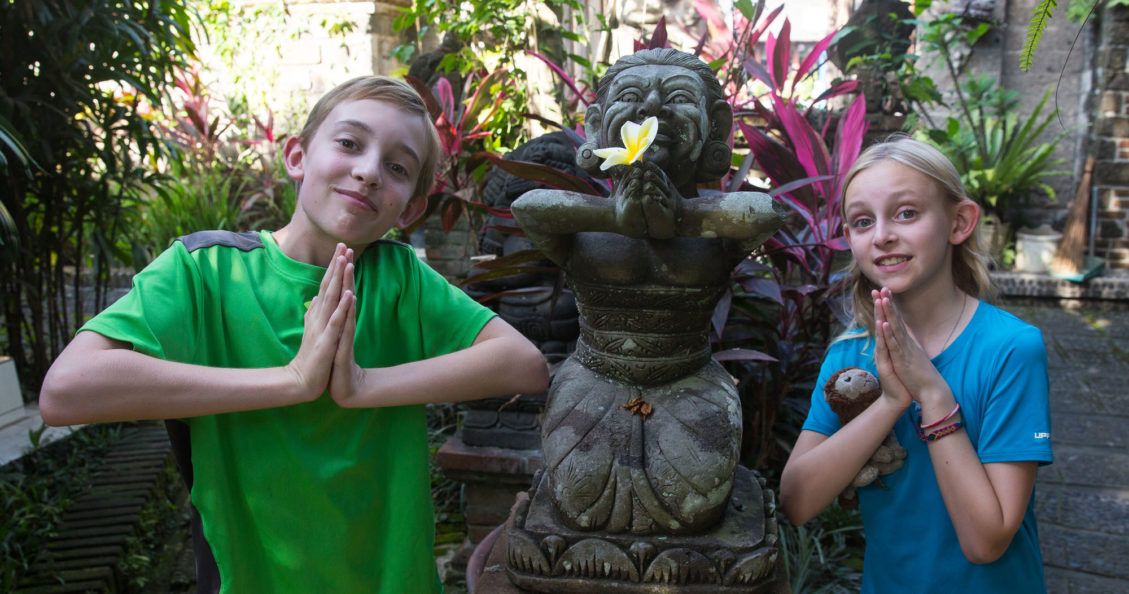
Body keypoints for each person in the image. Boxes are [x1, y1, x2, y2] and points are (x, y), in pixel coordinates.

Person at [39, 76, 549, 593]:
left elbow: (522, 364)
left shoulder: (400, 280)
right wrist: (294, 380)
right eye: (349, 143)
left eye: (397, 167)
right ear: (297, 157)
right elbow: (66, 390)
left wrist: (363, 385)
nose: (368, 171)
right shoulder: (206, 271)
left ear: (411, 209)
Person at [511, 48, 783, 534]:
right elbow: (529, 207)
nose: (652, 107)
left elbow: (763, 213)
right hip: (594, 379)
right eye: (632, 96)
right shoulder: (582, 225)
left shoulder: (718, 230)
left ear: (715, 128)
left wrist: (680, 214)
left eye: (677, 98)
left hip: (689, 381)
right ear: (597, 126)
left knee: (695, 509)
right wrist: (614, 216)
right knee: (580, 505)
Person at [779, 136, 1053, 592]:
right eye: (863, 221)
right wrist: (889, 403)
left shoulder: (1010, 349)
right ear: (851, 238)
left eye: (906, 213)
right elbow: (796, 502)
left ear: (959, 222)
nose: (882, 235)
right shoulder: (850, 356)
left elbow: (986, 543)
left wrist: (932, 395)